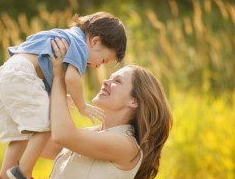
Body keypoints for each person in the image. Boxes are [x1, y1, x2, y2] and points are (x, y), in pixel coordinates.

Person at [0, 12, 127, 179]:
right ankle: (23, 172)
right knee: (48, 122)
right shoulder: (79, 45)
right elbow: (71, 78)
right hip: (22, 75)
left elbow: (41, 64)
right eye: (104, 60)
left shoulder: (65, 35)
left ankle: (6, 175)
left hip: (5, 75)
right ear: (95, 41)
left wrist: (59, 96)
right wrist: (82, 106)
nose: (98, 66)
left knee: (19, 137)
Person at [40, 38, 173, 179]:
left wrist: (59, 78)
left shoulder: (126, 146)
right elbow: (40, 144)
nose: (105, 82)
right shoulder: (89, 134)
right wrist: (45, 101)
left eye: (117, 81)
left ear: (134, 101)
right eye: (109, 78)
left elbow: (63, 135)